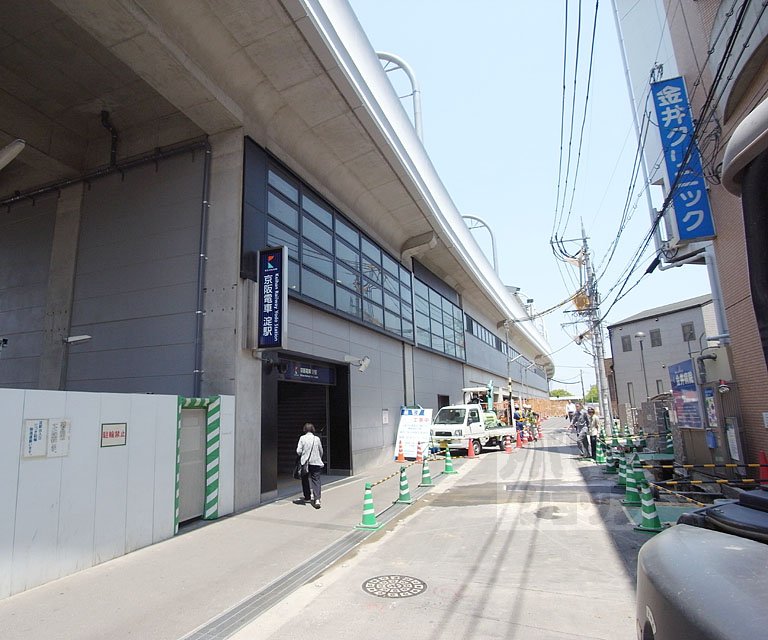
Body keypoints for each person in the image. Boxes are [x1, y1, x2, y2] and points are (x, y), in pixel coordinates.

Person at [295, 422, 324, 508]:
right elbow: (321, 450)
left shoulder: (302, 438)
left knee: (305, 479)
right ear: (313, 429)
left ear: (305, 429)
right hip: (316, 462)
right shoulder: (317, 439)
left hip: (305, 462)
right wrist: (319, 457)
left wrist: (304, 454)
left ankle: (307, 497)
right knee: (316, 480)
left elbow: (298, 451)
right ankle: (317, 499)